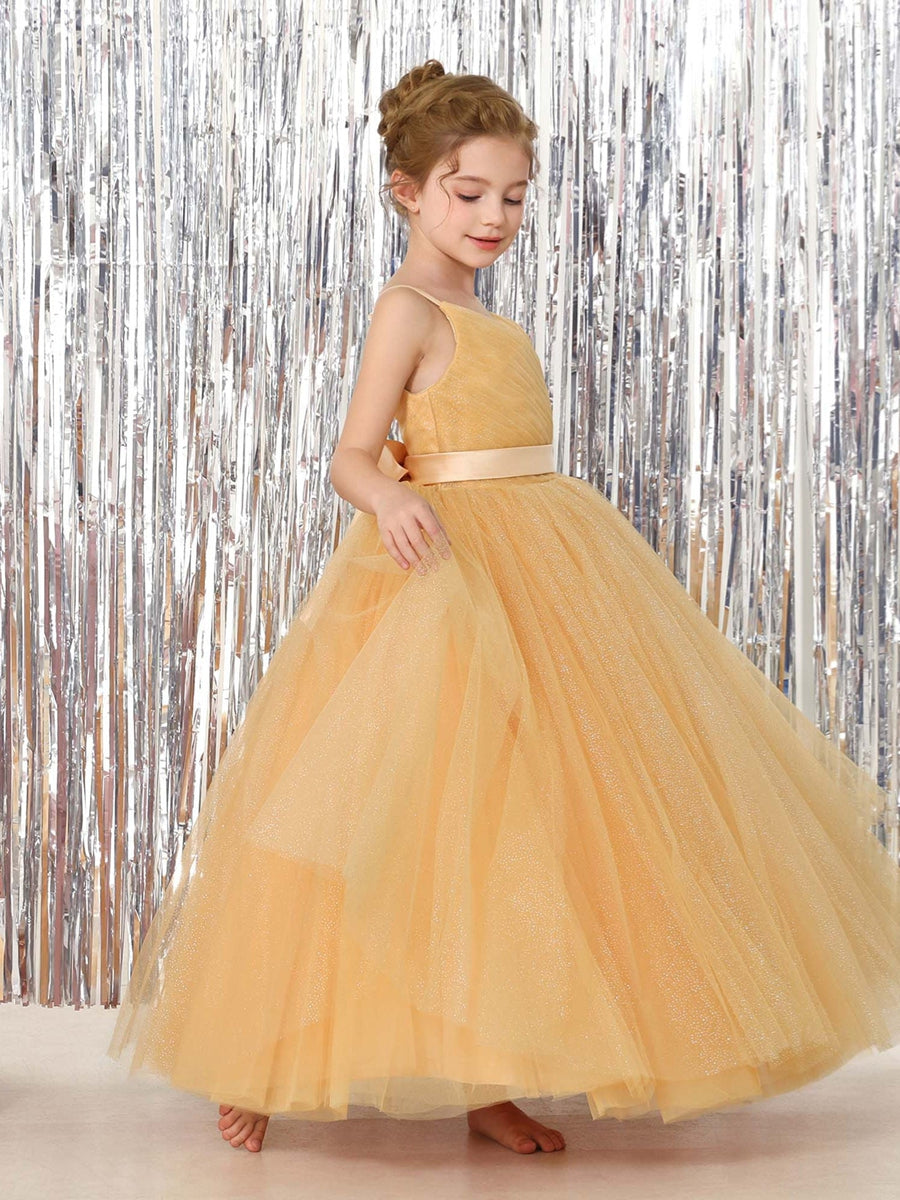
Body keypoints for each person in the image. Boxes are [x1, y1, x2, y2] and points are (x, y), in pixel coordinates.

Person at [107, 60, 900, 1159]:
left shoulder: (491, 319)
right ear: (407, 192)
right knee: (400, 816)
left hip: (551, 569)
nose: (494, 216)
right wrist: (390, 495)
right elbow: (349, 454)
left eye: (513, 197)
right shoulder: (406, 310)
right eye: (467, 191)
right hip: (449, 578)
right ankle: (264, 1059)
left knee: (535, 824)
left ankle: (491, 1073)